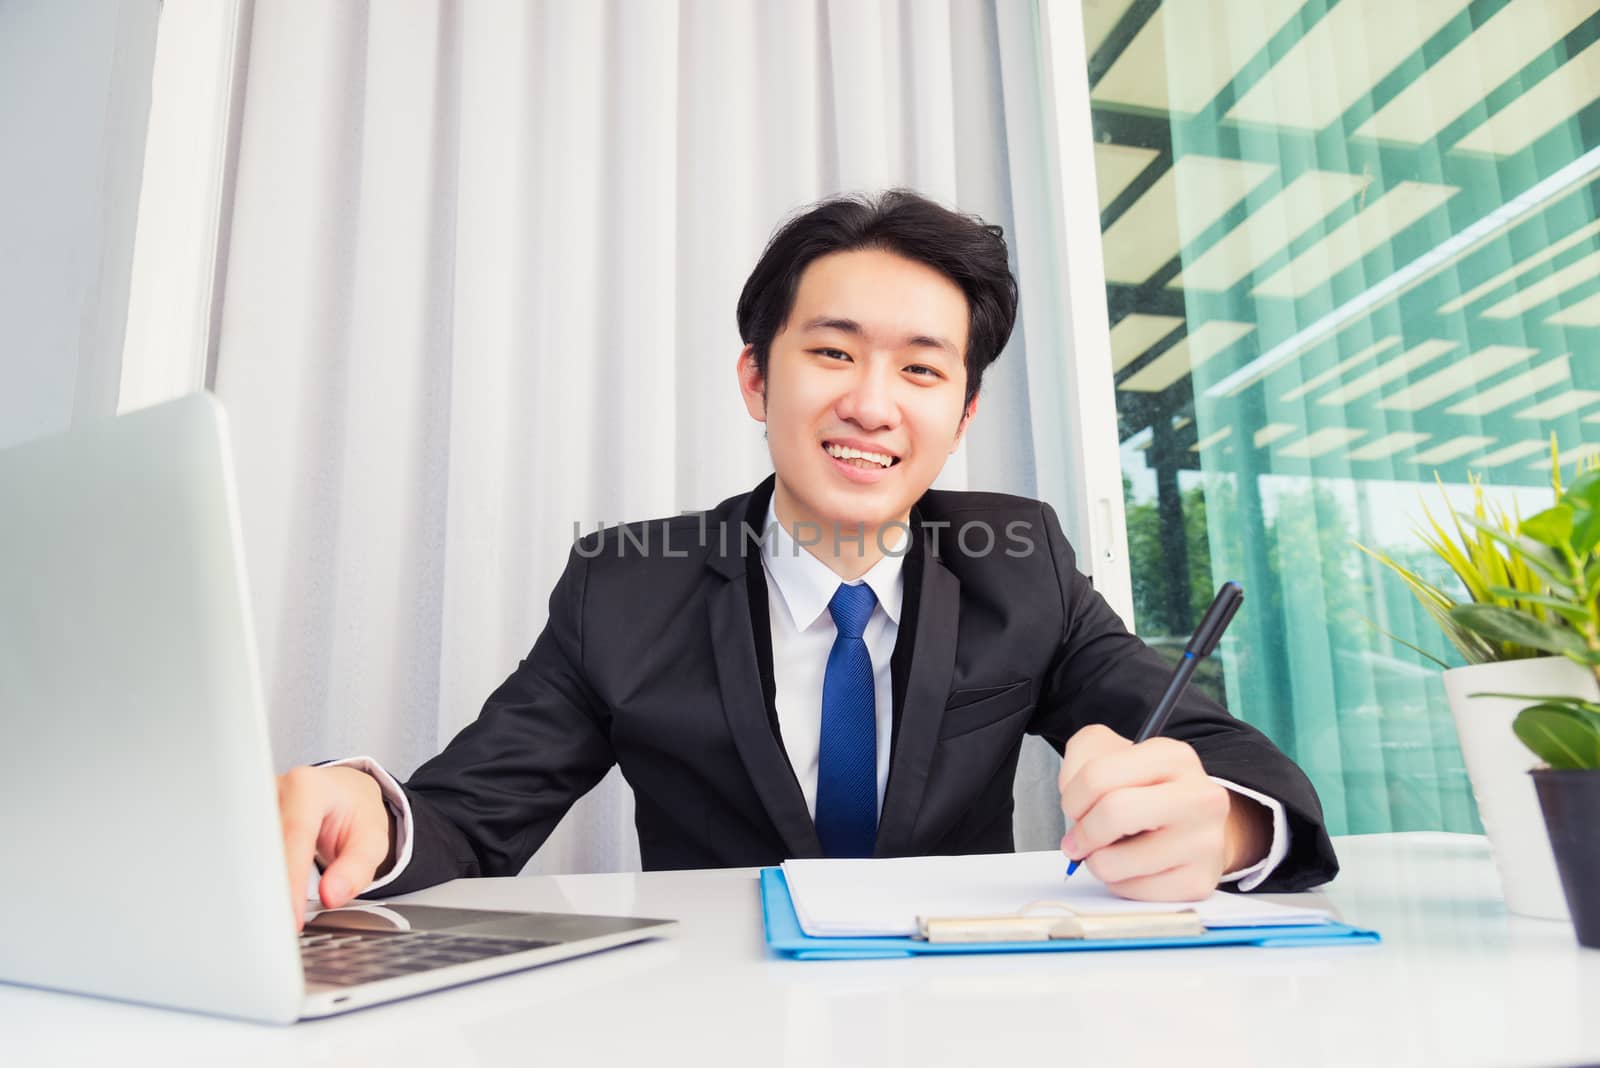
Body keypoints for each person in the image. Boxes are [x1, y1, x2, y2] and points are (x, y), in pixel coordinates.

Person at [277, 190, 1337, 929]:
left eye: (921, 371)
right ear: (755, 378)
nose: (870, 404)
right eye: (831, 353)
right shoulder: (625, 583)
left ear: (960, 413)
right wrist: (368, 808)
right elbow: (467, 816)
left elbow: (1237, 768)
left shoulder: (1019, 564)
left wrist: (1228, 825)